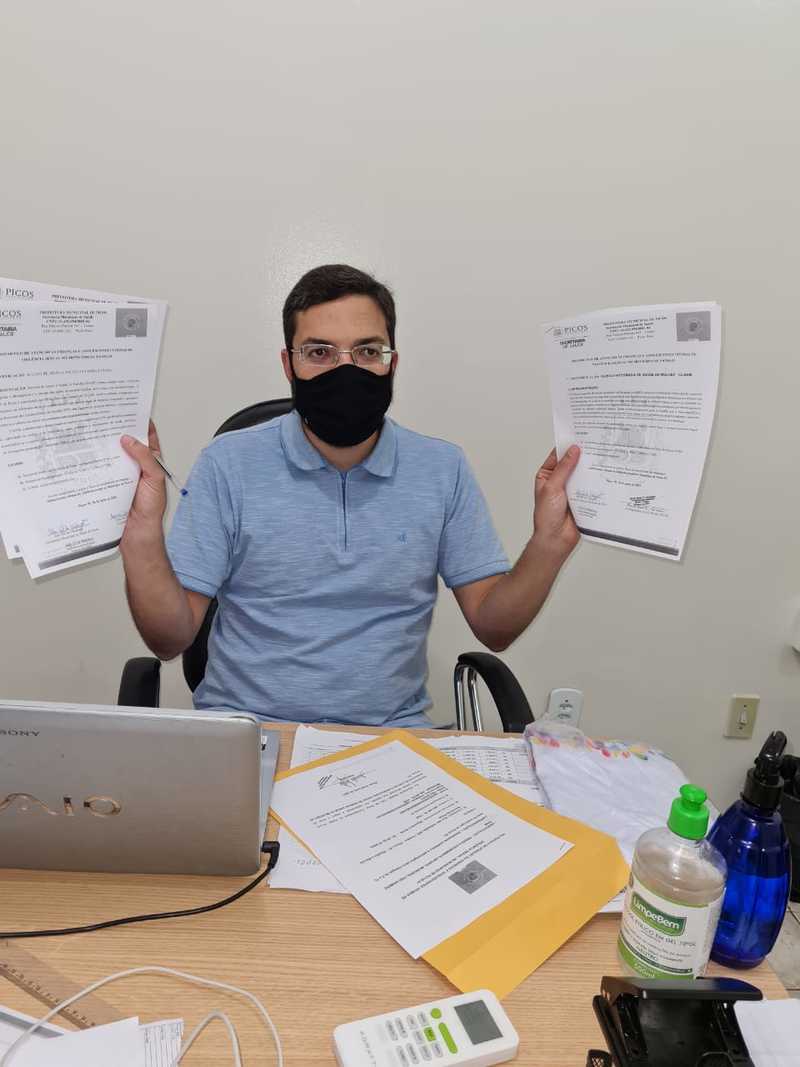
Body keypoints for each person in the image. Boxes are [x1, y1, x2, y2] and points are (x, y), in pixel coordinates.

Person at [120, 264, 580, 727]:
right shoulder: (228, 463)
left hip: (390, 735)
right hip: (249, 730)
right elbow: (169, 639)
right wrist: (142, 533)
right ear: (288, 365)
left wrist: (549, 544)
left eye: (367, 351)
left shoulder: (442, 468)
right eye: (319, 352)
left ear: (392, 362)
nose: (346, 369)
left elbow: (495, 627)